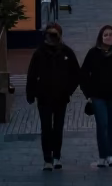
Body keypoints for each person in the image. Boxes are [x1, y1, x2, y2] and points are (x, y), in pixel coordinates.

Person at [26, 21, 80, 170]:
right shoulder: (39, 53)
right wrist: (31, 93)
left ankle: (57, 156)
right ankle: (47, 158)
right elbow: (32, 74)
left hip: (61, 97)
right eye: (50, 34)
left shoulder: (66, 52)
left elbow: (76, 74)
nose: (52, 37)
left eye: (55, 34)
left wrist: (68, 90)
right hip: (43, 97)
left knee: (58, 128)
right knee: (46, 128)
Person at [80, 24, 112, 167]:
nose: (108, 37)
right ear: (101, 37)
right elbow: (83, 74)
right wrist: (88, 93)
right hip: (97, 96)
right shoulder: (93, 53)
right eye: (106, 35)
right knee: (102, 124)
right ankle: (102, 156)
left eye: (111, 34)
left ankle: (110, 155)